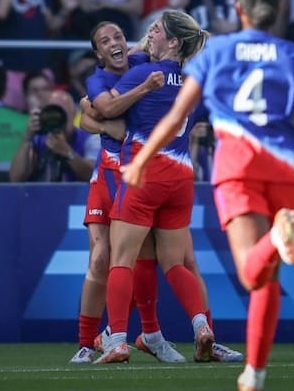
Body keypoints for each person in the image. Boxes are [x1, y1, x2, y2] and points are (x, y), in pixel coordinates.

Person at [121, 0, 294, 390]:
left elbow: (177, 116)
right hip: (286, 169)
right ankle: (254, 373)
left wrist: (142, 158)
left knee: (254, 273)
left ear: (239, 9)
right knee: (268, 278)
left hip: (239, 167)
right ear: (280, 10)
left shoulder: (215, 53)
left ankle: (275, 241)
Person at [93, 10, 216, 365]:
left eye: (158, 29)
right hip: (180, 178)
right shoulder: (194, 84)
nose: (151, 32)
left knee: (122, 261)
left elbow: (104, 109)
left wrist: (91, 101)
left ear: (173, 42)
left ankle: (116, 339)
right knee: (176, 264)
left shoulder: (143, 74)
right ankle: (201, 327)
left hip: (145, 174)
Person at [70, 21, 184, 364]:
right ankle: (87, 342)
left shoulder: (140, 63)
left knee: (144, 258)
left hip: (140, 176)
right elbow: (93, 113)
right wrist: (103, 120)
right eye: (105, 41)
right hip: (107, 173)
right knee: (101, 258)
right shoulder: (99, 79)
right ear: (98, 53)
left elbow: (92, 115)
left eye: (118, 36)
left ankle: (149, 335)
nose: (114, 43)